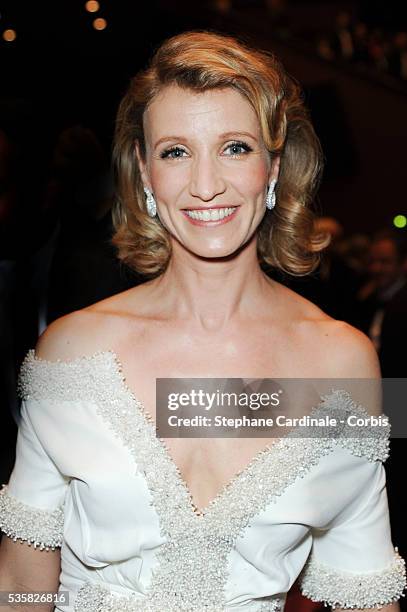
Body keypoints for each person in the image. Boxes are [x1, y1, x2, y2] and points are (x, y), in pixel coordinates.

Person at [0, 31, 405, 612]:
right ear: (144, 170)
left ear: (272, 163)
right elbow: (23, 580)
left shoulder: (343, 361)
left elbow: (363, 588)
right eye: (176, 151)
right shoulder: (72, 350)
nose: (205, 184)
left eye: (235, 147)